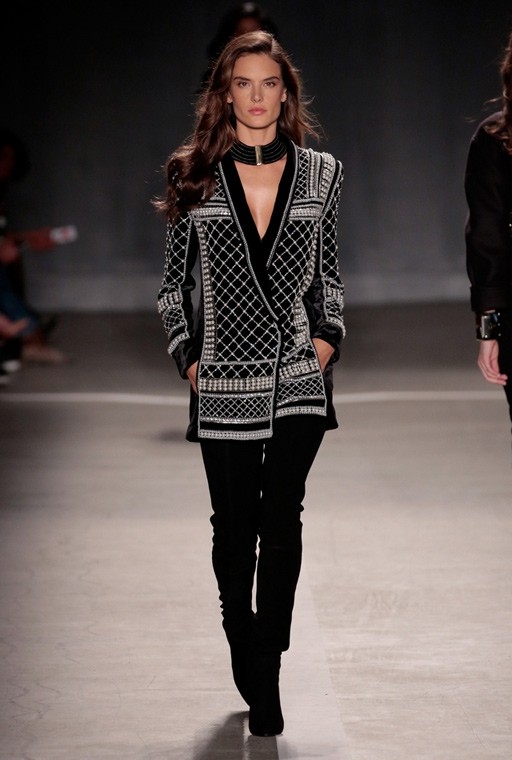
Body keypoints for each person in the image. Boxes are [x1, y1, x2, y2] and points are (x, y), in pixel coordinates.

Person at [155, 30, 345, 736]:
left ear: (286, 93)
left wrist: (327, 339)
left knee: (282, 516)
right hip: (223, 377)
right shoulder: (194, 175)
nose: (258, 96)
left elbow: (328, 275)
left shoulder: (322, 174)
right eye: (244, 83)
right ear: (225, 94)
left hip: (298, 373)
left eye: (270, 83)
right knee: (234, 529)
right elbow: (172, 288)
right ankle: (242, 631)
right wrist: (189, 357)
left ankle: (267, 663)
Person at [464, 30, 512, 428]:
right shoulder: (495, 139)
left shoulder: (496, 138)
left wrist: (489, 327)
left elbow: (487, 235)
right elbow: (487, 235)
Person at [199, 2, 279, 92]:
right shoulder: (217, 82)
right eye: (243, 33)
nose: (249, 39)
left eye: (255, 33)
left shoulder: (279, 71)